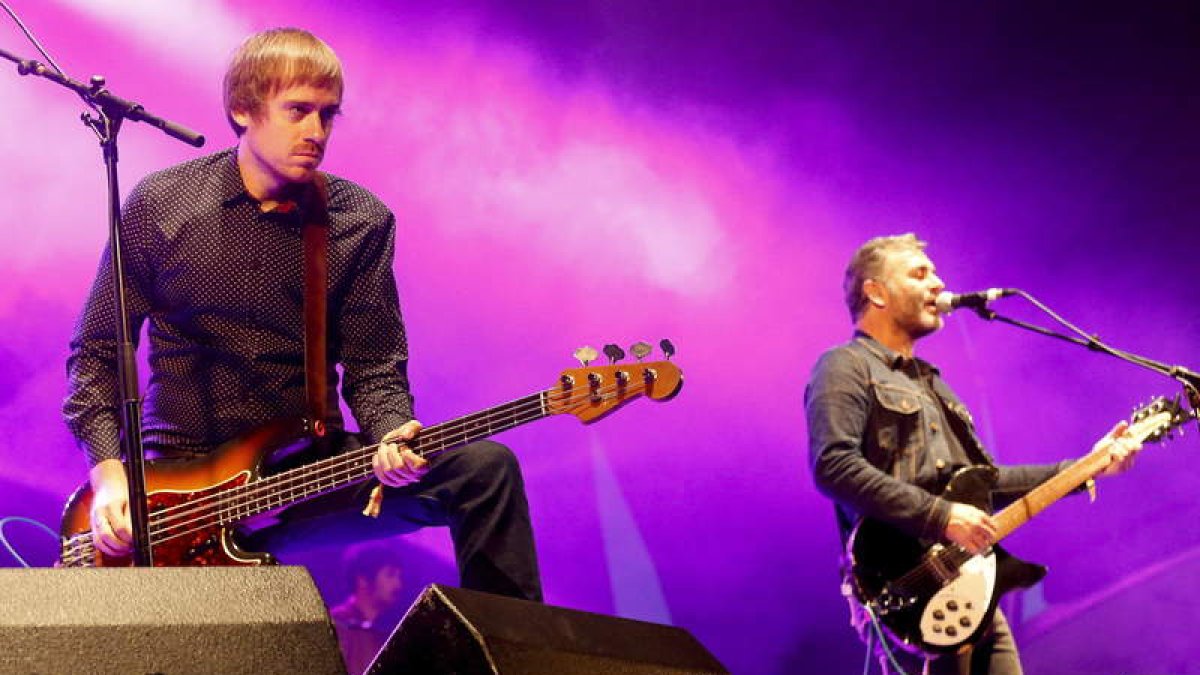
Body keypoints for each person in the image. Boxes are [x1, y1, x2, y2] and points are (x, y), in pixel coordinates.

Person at [62, 27, 541, 601]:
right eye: (298, 111)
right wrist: (110, 474)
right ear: (243, 109)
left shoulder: (359, 219)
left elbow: (374, 366)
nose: (316, 132)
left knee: (485, 469)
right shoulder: (162, 203)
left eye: (328, 115)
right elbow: (95, 353)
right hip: (179, 486)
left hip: (305, 470)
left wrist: (392, 433)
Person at [805, 234, 1140, 674]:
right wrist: (941, 517)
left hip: (970, 589)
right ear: (876, 292)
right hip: (907, 592)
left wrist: (1092, 464)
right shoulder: (844, 366)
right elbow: (833, 466)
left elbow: (988, 482)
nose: (938, 284)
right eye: (919, 273)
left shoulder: (933, 385)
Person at [330, 542, 407, 675]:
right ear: (363, 580)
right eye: (390, 575)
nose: (398, 584)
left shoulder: (383, 634)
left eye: (399, 577)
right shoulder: (336, 624)